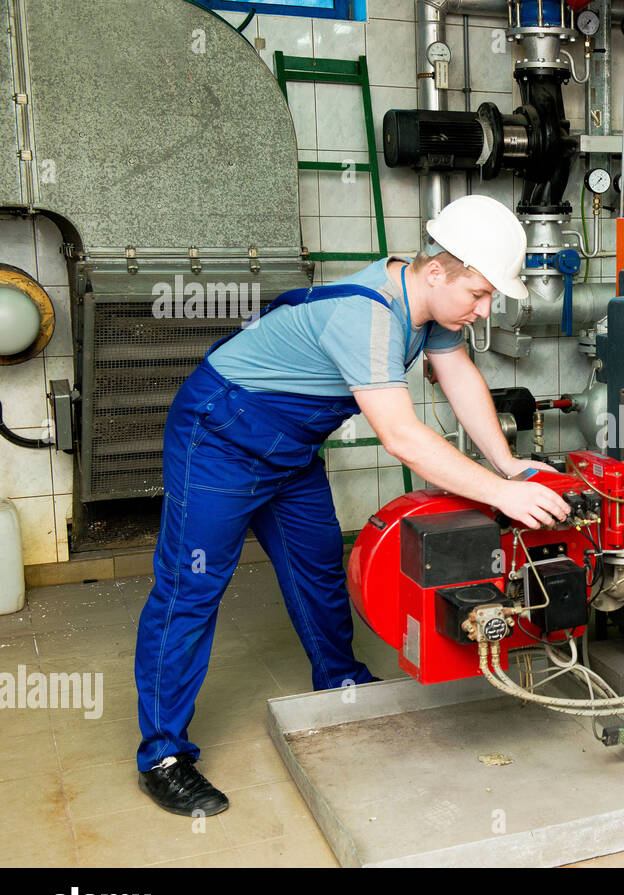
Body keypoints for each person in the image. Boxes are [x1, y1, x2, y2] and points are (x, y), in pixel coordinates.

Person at [134, 195, 569, 816]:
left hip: (290, 448)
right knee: (190, 588)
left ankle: (341, 684)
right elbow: (401, 435)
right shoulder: (366, 317)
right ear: (438, 269)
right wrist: (501, 494)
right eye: (478, 293)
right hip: (219, 438)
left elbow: (460, 375)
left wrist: (508, 464)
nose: (484, 308)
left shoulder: (430, 302)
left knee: (317, 570)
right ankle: (164, 756)